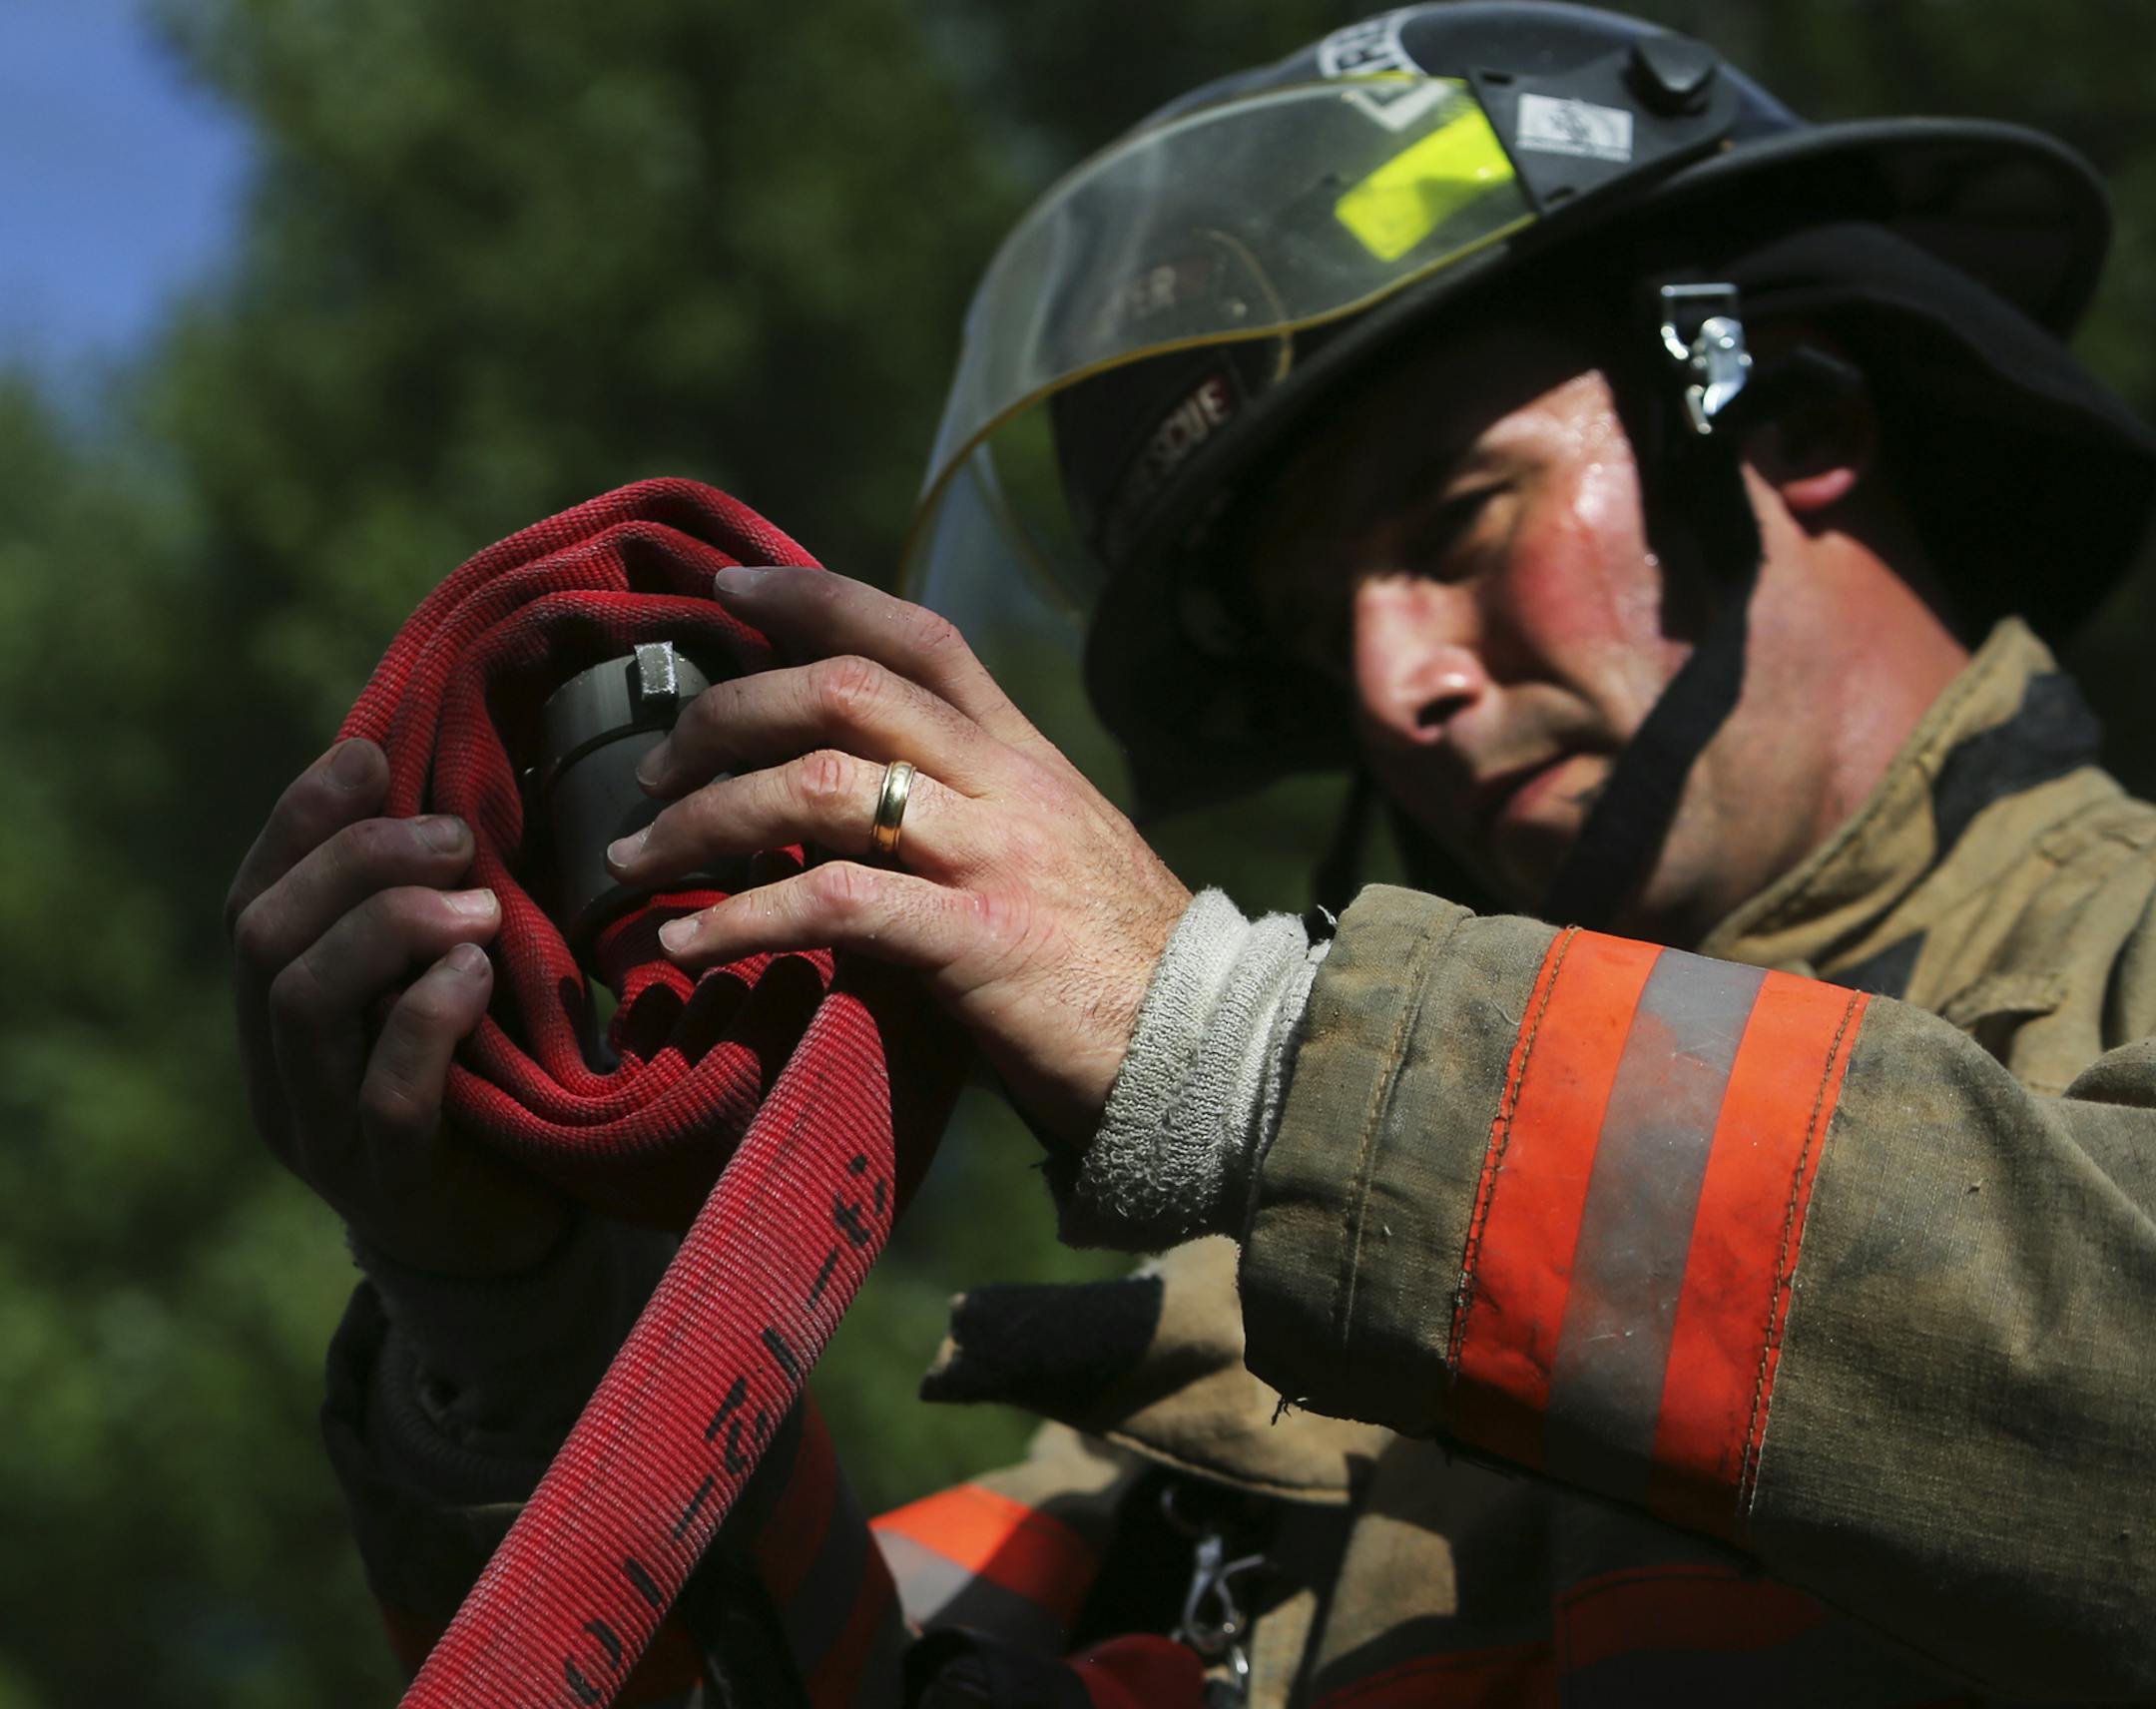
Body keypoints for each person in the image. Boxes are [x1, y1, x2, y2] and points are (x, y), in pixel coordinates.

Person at [224, 5, 2156, 1703]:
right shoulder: (1238, 1390)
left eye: (1461, 519)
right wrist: (526, 1345)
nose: (1392, 687)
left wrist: (1236, 1041)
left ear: (1791, 412)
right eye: (1326, 638)